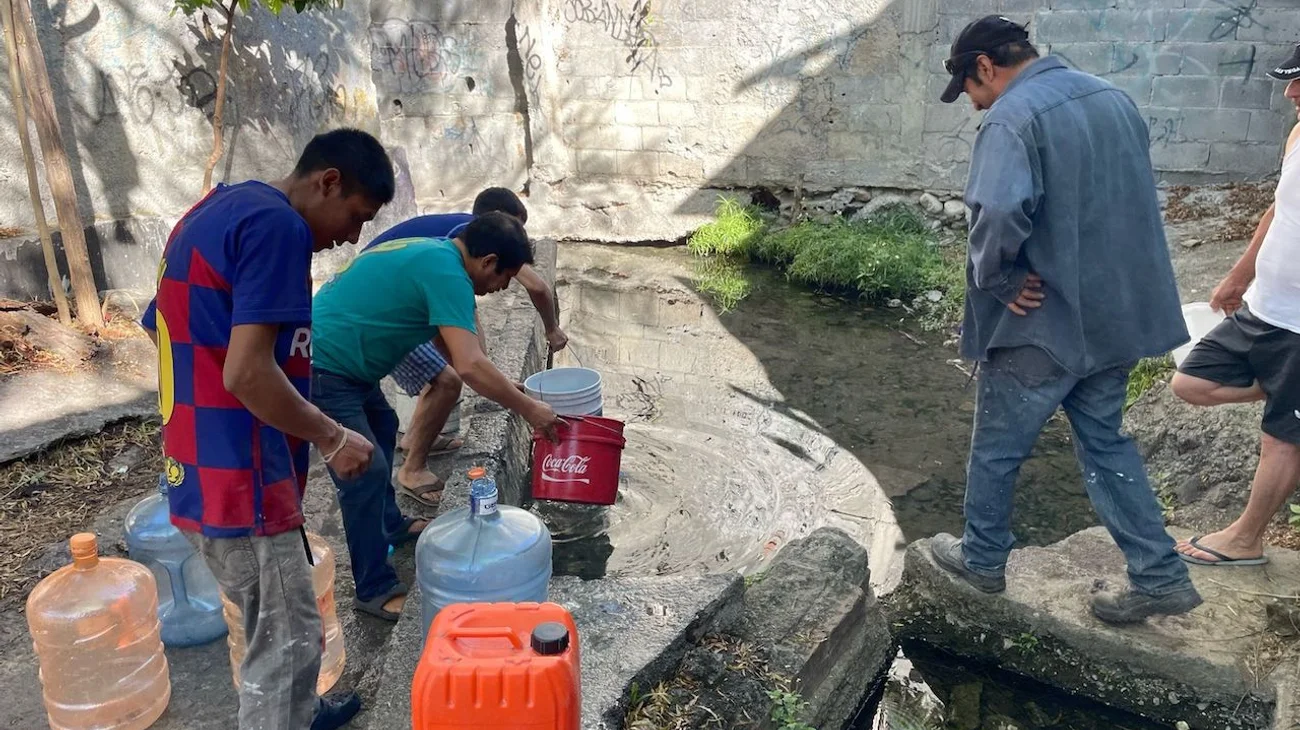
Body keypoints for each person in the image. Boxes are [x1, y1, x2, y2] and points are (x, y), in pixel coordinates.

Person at [926, 16, 1202, 624]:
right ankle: (1160, 574)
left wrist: (999, 279)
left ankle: (982, 561)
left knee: (998, 446)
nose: (973, 106)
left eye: (969, 91)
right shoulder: (1113, 98)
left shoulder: (1012, 116)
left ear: (984, 67)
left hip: (1045, 319)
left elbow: (998, 211)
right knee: (1105, 442)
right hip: (1116, 315)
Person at [141, 128, 394, 729]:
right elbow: (248, 372)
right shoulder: (276, 227)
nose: (351, 238)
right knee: (288, 640)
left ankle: (300, 713)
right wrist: (331, 436)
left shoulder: (213, 209)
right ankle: (286, 714)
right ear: (327, 180)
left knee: (276, 620)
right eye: (355, 217)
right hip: (243, 477)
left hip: (198, 465)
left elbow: (162, 327)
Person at [310, 211, 564, 621]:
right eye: (504, 277)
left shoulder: (436, 255)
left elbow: (453, 348)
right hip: (325, 365)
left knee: (385, 427)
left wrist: (503, 386)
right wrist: (532, 410)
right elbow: (469, 365)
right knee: (365, 469)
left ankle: (391, 526)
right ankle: (374, 588)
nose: (499, 288)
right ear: (488, 262)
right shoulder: (449, 275)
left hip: (348, 363)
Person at [1170, 47, 1300, 568]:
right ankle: (1277, 383)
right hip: (1262, 309)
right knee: (1190, 382)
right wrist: (1238, 276)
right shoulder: (1297, 134)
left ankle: (1246, 540)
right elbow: (1279, 208)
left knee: (1280, 441)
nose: (1290, 93)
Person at [365, 187, 569, 505]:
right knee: (446, 381)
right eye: (513, 228)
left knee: (446, 375)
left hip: (390, 297)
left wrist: (492, 380)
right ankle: (412, 470)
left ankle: (417, 441)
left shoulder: (459, 251)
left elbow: (467, 333)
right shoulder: (461, 249)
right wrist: (552, 332)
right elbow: (536, 288)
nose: (503, 286)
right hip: (382, 309)